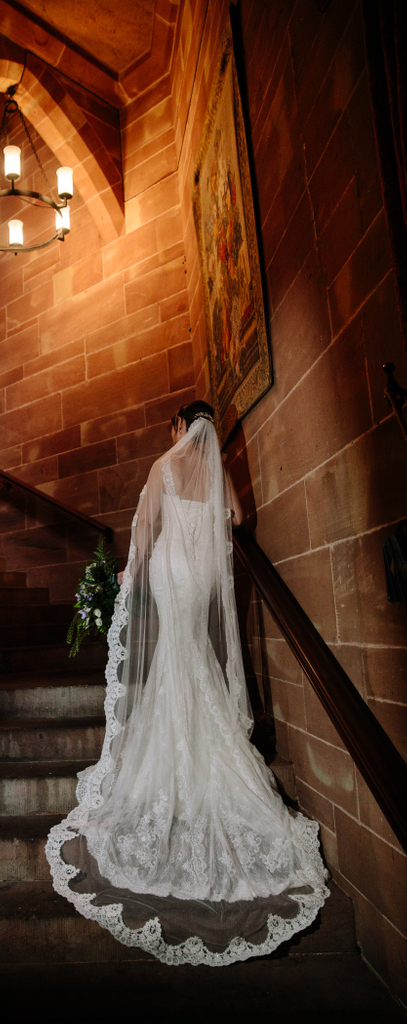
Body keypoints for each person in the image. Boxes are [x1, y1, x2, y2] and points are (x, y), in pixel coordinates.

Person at [46, 400, 329, 966]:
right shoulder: (216, 470)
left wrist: (130, 568)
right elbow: (240, 519)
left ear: (179, 428)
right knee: (193, 653)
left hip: (173, 571)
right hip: (200, 577)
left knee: (177, 656)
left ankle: (175, 755)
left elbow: (146, 527)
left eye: (172, 427)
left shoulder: (165, 467)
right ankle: (208, 743)